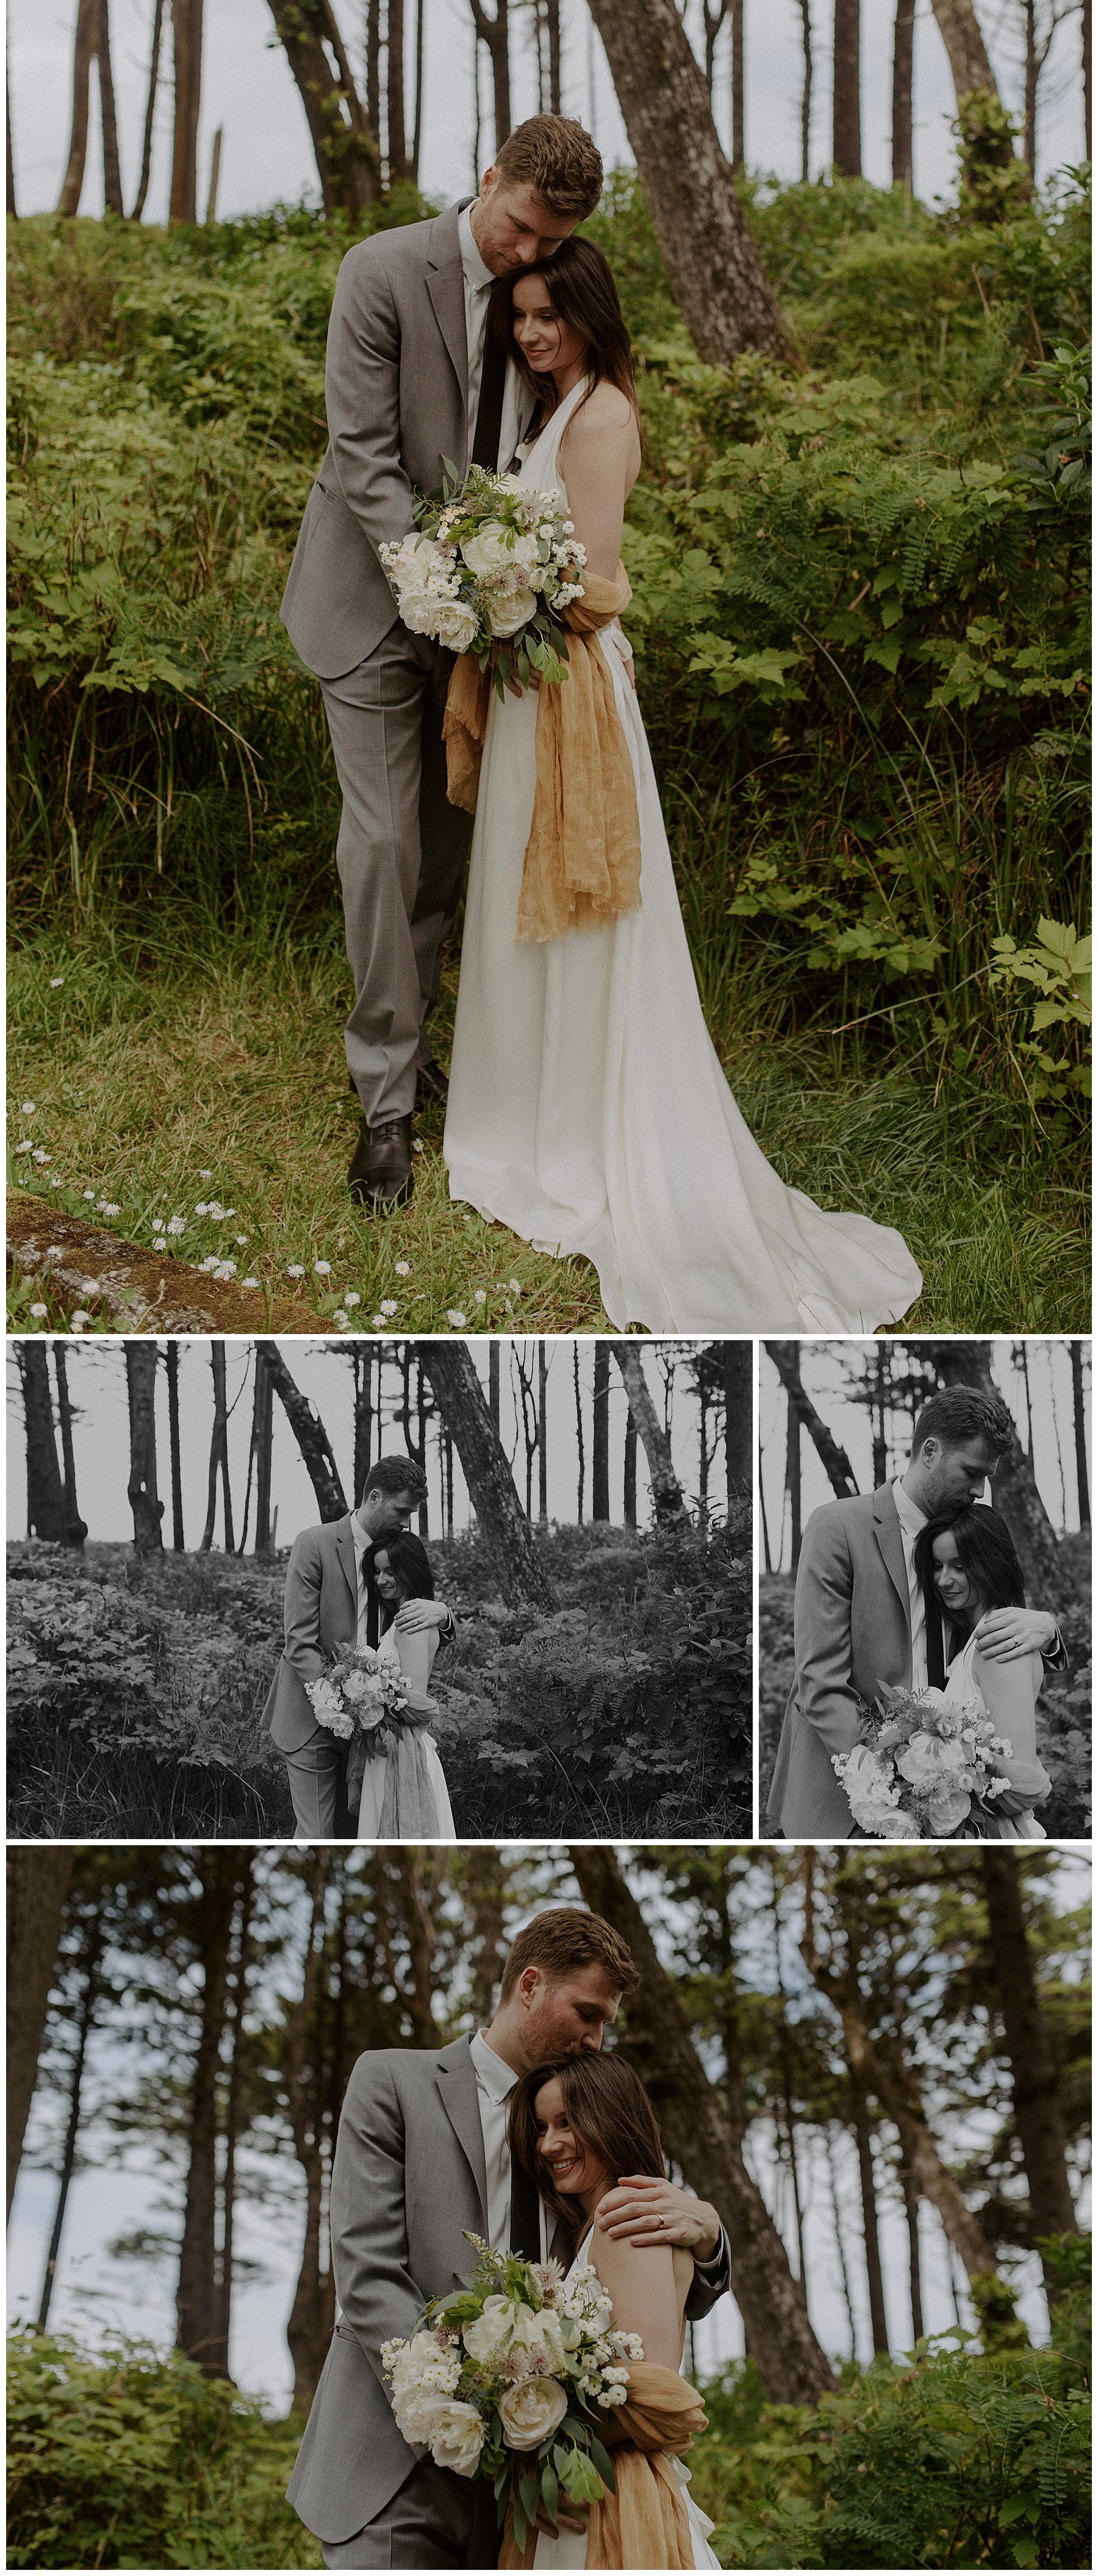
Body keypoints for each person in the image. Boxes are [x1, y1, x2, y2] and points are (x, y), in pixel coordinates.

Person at [443, 242, 920, 1333]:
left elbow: (596, 582)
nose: (531, 335)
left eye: (549, 316)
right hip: (524, 676)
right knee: (519, 889)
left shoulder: (603, 414)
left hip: (565, 677)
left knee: (578, 901)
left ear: (588, 315)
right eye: (519, 317)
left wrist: (497, 585)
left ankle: (573, 1133)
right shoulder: (545, 408)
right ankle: (518, 1118)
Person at [280, 115, 604, 1216]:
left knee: (445, 854)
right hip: (372, 605)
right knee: (381, 841)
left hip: (491, 628)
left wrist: (514, 590)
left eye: (548, 240)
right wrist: (444, 578)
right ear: (489, 181)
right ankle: (385, 1108)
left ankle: (412, 1044)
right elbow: (361, 455)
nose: (525, 254)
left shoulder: (546, 291)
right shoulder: (380, 271)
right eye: (519, 226)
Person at [285, 1898, 731, 2570]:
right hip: (393, 2473)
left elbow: (639, 2308)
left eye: (607, 2024)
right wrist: (486, 2417)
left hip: (540, 2500)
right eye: (588, 2013)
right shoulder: (392, 2081)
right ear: (529, 1985)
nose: (596, 2040)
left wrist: (710, 2239)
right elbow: (370, 2271)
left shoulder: (583, 2147)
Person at [506, 2057, 722, 2571]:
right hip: (594, 2489)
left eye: (566, 2123)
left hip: (614, 2500)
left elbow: (655, 2397)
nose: (547, 2145)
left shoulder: (628, 2215)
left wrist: (536, 2453)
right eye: (541, 2128)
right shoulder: (604, 2223)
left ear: (612, 2118)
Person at [767, 1384, 1011, 1835]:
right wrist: (900, 1773)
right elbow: (820, 1682)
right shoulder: (837, 1526)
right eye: (972, 1472)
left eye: (987, 1477)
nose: (980, 1490)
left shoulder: (969, 1538)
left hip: (947, 1800)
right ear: (931, 1451)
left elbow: (1000, 1621)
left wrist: (1047, 1630)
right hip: (842, 1797)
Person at [262, 1452, 421, 1835]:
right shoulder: (314, 1544)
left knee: (359, 1833)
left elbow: (420, 1614)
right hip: (311, 1717)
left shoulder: (397, 1553)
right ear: (375, 1497)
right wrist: (342, 1704)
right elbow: (299, 1640)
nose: (406, 1521)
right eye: (402, 1510)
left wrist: (444, 1617)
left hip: (374, 1726)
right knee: (317, 1834)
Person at [916, 1506, 1060, 1841]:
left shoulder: (999, 1644)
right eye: (937, 1566)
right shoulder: (972, 1636)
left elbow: (1019, 1785)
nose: (943, 1580)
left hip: (994, 1832)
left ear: (990, 1564)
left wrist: (930, 1785)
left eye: (960, 1567)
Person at [351, 1531, 458, 1846]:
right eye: (377, 1571)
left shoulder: (411, 1622)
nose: (382, 1580)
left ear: (410, 1569)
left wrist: (363, 1701)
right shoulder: (405, 1614)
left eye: (390, 1571)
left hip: (398, 1749)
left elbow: (411, 1701)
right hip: (387, 1744)